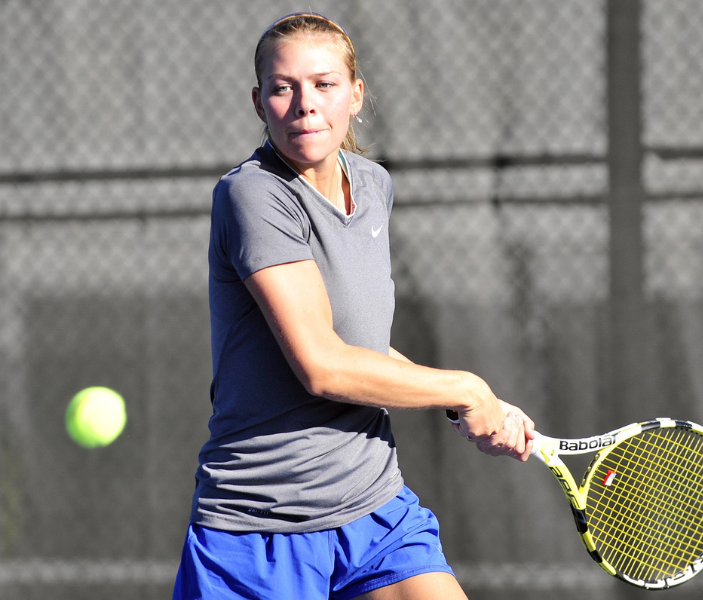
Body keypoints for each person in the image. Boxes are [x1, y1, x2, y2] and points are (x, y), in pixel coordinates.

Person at [172, 12, 536, 600]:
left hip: (373, 507)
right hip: (261, 530)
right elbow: (323, 366)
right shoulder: (253, 196)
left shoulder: (371, 186)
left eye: (324, 84)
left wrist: (464, 401)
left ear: (356, 95)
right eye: (282, 87)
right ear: (259, 102)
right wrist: (466, 389)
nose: (304, 104)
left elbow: (359, 343)